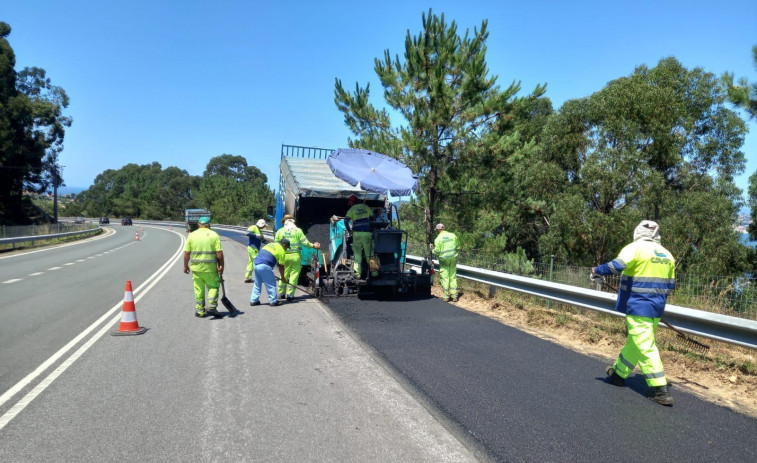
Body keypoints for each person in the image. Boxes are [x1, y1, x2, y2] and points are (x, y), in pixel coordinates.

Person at [592, 220, 676, 406]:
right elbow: (671, 285)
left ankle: (659, 389)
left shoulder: (635, 248)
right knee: (636, 342)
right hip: (656, 307)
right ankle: (619, 374)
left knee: (645, 345)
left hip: (638, 306)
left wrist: (597, 270)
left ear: (638, 231)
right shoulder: (667, 255)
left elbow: (616, 266)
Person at [183, 216, 224, 318]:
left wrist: (185, 266)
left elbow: (187, 253)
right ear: (209, 224)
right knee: (213, 287)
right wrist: (221, 265)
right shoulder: (214, 235)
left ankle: (200, 311)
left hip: (197, 269)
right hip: (210, 268)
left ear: (198, 224)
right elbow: (219, 253)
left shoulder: (191, 235)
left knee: (198, 289)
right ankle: (212, 307)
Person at [274, 214, 320, 301]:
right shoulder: (298, 231)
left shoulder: (280, 231)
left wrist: (276, 257)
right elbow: (305, 243)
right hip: (296, 257)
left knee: (283, 275)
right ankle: (290, 295)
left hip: (284, 256)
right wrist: (313, 245)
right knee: (294, 276)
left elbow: (276, 245)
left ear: (284, 222)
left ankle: (281, 293)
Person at [250, 239, 290, 307]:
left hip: (256, 264)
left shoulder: (271, 244)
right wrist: (283, 278)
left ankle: (254, 300)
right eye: (287, 247)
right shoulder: (282, 251)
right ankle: (273, 301)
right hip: (265, 265)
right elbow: (281, 267)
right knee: (271, 283)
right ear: (284, 245)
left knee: (257, 283)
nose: (286, 249)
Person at [430, 223, 459, 302]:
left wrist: (432, 250)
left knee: (445, 277)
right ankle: (455, 296)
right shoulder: (453, 235)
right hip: (453, 258)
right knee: (452, 276)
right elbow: (458, 246)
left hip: (444, 260)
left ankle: (446, 297)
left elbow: (437, 252)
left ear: (438, 230)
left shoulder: (438, 239)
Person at [345, 194, 372, 277]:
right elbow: (372, 217)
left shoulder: (352, 209)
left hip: (357, 234)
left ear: (353, 203)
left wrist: (350, 231)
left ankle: (357, 274)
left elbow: (346, 221)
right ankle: (374, 272)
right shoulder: (366, 207)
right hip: (367, 233)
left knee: (357, 255)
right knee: (369, 254)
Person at [244, 219, 268, 283]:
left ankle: (247, 277)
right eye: (264, 226)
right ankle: (259, 278)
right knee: (257, 262)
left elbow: (263, 240)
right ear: (261, 224)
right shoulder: (253, 227)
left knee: (251, 263)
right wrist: (255, 235)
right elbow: (247, 233)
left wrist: (269, 243)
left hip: (255, 248)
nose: (264, 227)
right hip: (252, 248)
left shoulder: (260, 231)